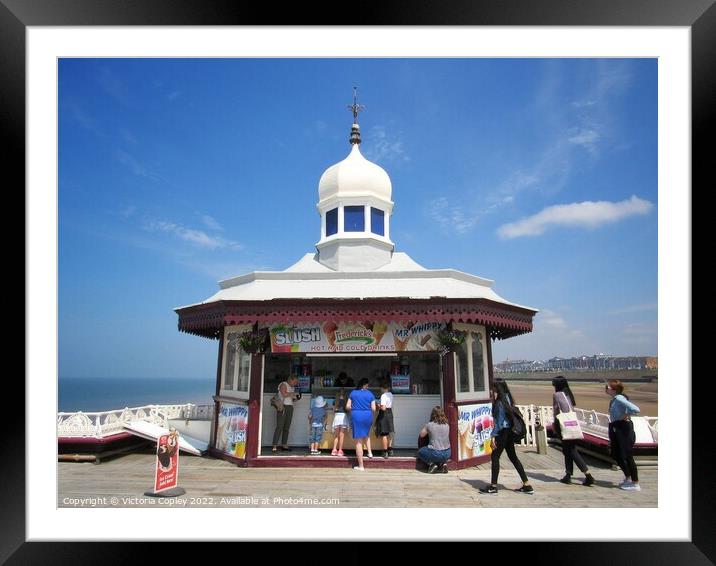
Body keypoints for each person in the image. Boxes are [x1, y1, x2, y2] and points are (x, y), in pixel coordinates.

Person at [479, 379, 534, 495]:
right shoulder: (508, 398)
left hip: (503, 432)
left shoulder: (500, 403)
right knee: (513, 457)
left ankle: (493, 486)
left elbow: (499, 422)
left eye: (493, 387)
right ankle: (527, 484)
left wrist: (493, 436)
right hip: (510, 432)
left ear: (497, 388)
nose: (492, 390)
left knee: (495, 457)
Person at [552, 376, 595, 486]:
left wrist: (554, 424)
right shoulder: (568, 394)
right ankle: (568, 475)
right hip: (572, 423)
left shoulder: (557, 395)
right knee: (567, 450)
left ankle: (588, 474)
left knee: (571, 450)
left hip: (563, 424)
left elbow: (556, 410)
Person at [606, 379, 642, 491]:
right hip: (616, 428)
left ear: (614, 389)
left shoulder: (619, 398)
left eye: (607, 387)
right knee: (616, 454)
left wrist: (626, 415)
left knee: (627, 455)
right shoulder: (614, 400)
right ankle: (628, 477)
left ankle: (635, 483)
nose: (606, 389)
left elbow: (636, 409)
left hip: (623, 428)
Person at [346, 377, 376, 470]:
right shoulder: (370, 394)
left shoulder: (353, 393)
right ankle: (370, 453)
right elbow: (374, 409)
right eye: (367, 385)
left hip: (357, 415)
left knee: (359, 441)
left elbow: (347, 406)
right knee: (367, 435)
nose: (368, 386)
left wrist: (355, 408)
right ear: (365, 384)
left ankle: (361, 466)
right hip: (367, 416)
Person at [417, 406, 451, 473]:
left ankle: (432, 464)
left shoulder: (429, 425)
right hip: (447, 453)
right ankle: (442, 464)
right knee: (440, 453)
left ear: (433, 414)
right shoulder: (447, 425)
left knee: (420, 452)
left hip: (435, 453)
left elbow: (421, 435)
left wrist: (426, 428)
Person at [271, 374, 300, 453]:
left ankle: (284, 444)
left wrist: (296, 398)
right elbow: (284, 394)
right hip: (283, 407)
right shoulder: (283, 384)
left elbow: (290, 398)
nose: (296, 383)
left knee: (286, 427)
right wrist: (293, 394)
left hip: (290, 407)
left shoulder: (292, 387)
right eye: (295, 381)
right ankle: (274, 445)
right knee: (279, 426)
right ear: (291, 379)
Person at [375, 380, 395, 458]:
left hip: (384, 414)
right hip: (390, 413)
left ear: (382, 388)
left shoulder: (383, 395)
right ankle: (390, 449)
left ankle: (385, 451)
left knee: (384, 433)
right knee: (390, 432)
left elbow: (383, 408)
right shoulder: (391, 394)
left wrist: (378, 405)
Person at [331, 389, 349, 456]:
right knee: (342, 435)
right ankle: (340, 451)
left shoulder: (335, 400)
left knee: (336, 435)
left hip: (337, 416)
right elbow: (348, 409)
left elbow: (333, 410)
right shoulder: (346, 400)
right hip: (343, 416)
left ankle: (334, 450)